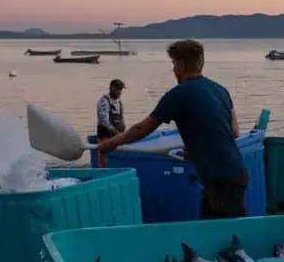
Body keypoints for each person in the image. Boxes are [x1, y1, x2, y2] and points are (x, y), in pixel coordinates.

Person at [98, 39, 247, 219]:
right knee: (220, 230)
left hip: (219, 179)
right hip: (236, 171)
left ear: (181, 64)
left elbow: (142, 129)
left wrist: (111, 143)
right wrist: (196, 151)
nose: (174, 70)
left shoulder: (179, 94)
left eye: (174, 64)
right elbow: (234, 131)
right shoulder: (221, 90)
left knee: (222, 235)